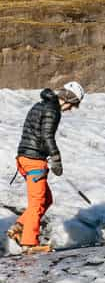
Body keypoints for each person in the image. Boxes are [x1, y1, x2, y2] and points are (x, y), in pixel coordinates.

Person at [6, 82, 85, 254]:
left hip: (26, 157)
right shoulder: (52, 110)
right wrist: (56, 158)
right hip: (34, 160)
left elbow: (39, 134)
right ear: (68, 99)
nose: (71, 109)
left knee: (46, 199)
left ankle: (19, 227)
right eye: (73, 104)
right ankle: (29, 243)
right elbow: (47, 136)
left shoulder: (42, 105)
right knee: (36, 204)